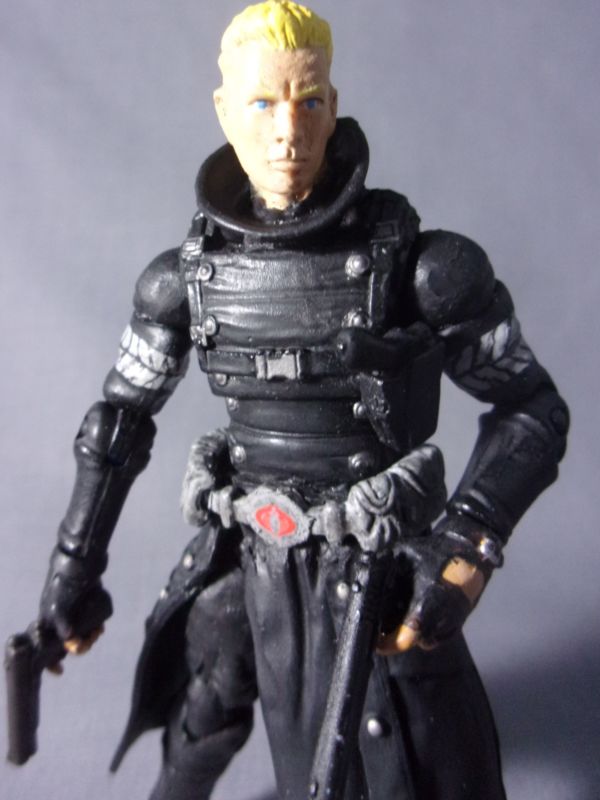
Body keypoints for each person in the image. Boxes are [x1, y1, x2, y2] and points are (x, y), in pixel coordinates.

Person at [36, 2, 569, 798]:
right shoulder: (183, 282)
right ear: (225, 111)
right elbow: (118, 424)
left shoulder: (423, 270)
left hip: (377, 568)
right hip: (252, 553)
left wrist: (466, 544)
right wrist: (74, 565)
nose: (288, 131)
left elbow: (534, 410)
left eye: (308, 100)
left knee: (415, 755)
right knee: (203, 703)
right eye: (263, 102)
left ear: (332, 105)